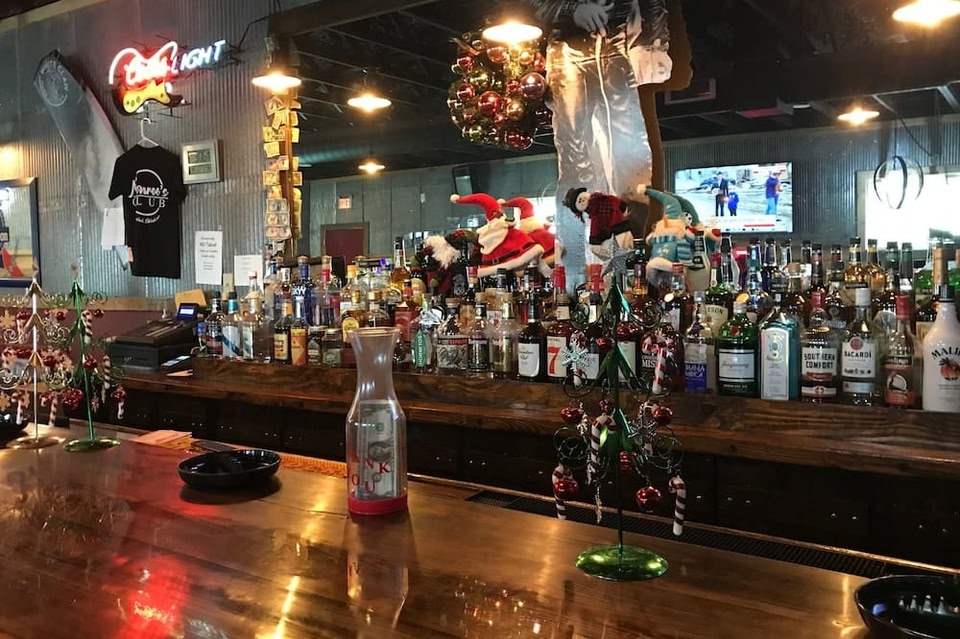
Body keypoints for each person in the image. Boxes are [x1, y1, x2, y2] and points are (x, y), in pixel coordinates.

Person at [528, 0, 672, 206]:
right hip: (569, 51)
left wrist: (655, 43)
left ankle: (628, 216)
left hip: (618, 46)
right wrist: (572, 10)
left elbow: (653, 3)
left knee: (626, 139)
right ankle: (580, 217)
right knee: (575, 143)